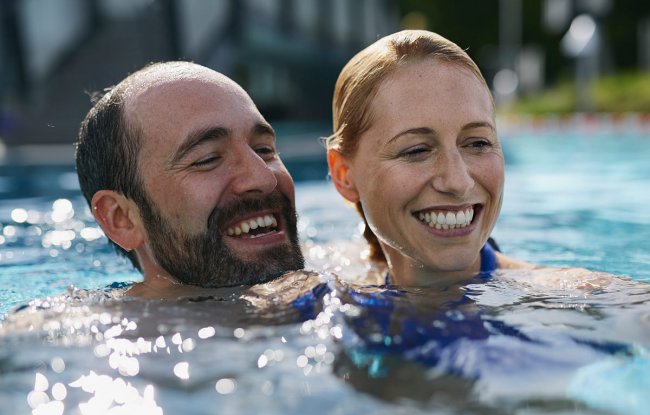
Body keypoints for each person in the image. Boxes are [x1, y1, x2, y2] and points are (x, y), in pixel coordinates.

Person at [75, 61, 306, 299]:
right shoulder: (85, 332)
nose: (263, 178)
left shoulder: (338, 283)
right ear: (122, 219)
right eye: (208, 159)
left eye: (264, 149)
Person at [325, 30, 536, 288]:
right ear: (343, 175)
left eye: (478, 143)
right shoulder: (323, 288)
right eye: (417, 151)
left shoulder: (570, 302)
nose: (458, 182)